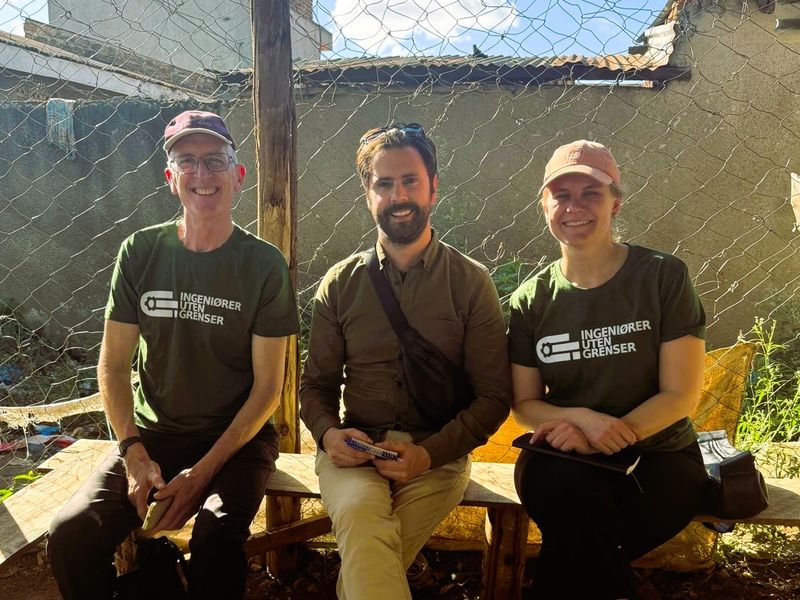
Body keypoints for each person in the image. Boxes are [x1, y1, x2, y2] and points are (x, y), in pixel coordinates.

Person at [47, 110, 300, 599]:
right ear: (170, 179)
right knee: (70, 535)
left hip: (237, 444)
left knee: (217, 539)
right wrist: (135, 454)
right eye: (187, 162)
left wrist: (203, 472)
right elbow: (113, 366)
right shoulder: (140, 251)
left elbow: (269, 388)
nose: (202, 175)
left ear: (238, 175)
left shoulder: (264, 265)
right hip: (153, 437)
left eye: (215, 161)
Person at [300, 123, 511, 599]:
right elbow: (314, 386)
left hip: (438, 455)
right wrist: (330, 436)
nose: (399, 196)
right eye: (384, 183)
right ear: (367, 193)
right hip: (355, 454)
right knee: (360, 517)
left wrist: (429, 454)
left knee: (367, 550)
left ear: (434, 187)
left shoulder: (471, 283)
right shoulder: (340, 284)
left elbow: (495, 396)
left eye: (410, 181)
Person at [508, 139, 708, 599]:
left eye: (591, 193)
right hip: (564, 456)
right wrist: (583, 422)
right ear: (544, 205)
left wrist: (609, 435)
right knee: (569, 504)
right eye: (561, 194)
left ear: (616, 202)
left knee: (575, 544)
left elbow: (681, 395)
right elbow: (524, 405)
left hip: (659, 455)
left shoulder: (662, 277)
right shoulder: (531, 299)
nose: (574, 206)